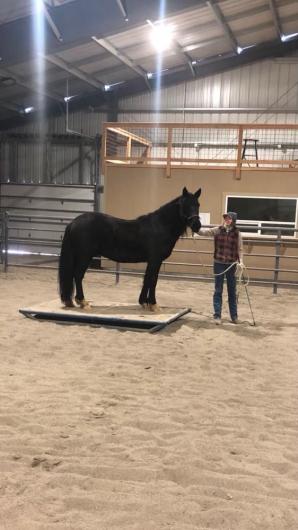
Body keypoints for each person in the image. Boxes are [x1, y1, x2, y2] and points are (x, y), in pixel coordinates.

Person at [196, 211, 244, 324]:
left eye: (229, 218)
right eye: (226, 218)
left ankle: (234, 316)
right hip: (219, 263)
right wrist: (196, 229)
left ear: (233, 220)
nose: (227, 220)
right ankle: (217, 315)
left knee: (232, 291)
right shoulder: (217, 229)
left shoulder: (237, 233)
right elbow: (204, 232)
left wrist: (241, 261)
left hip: (231, 265)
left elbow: (240, 249)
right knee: (218, 290)